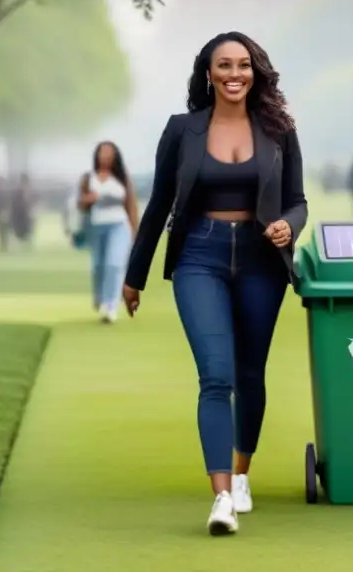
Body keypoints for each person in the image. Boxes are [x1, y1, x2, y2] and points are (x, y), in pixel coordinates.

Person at [122, 31, 307, 536]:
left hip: (260, 259)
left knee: (250, 374)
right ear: (208, 73)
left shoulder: (279, 130)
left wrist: (290, 225)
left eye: (243, 65)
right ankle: (221, 496)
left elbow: (297, 199)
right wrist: (134, 276)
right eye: (223, 65)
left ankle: (242, 473)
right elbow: (160, 204)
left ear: (255, 72)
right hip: (198, 257)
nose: (234, 74)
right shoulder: (183, 130)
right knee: (217, 375)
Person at [78, 142, 138, 323]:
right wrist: (88, 200)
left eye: (109, 153)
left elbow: (131, 206)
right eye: (102, 153)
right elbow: (81, 205)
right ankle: (100, 297)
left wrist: (135, 232)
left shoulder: (121, 178)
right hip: (96, 227)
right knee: (98, 266)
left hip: (119, 225)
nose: (105, 156)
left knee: (114, 263)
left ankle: (111, 305)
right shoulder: (89, 178)